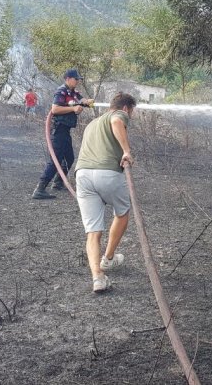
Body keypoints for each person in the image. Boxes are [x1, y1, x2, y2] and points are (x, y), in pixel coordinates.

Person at [75, 92, 137, 292]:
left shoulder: (92, 123)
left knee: (93, 232)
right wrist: (126, 151)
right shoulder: (119, 114)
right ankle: (108, 259)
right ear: (126, 108)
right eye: (132, 112)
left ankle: (98, 278)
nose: (131, 116)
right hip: (108, 173)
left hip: (83, 175)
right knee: (122, 213)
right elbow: (118, 121)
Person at [32, 69, 95, 200]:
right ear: (68, 78)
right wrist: (73, 108)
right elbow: (55, 109)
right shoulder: (61, 91)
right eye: (76, 79)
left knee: (70, 158)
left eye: (78, 79)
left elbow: (80, 99)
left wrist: (87, 101)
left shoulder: (73, 92)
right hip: (58, 131)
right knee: (55, 161)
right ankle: (40, 189)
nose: (78, 81)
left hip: (66, 132)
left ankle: (58, 182)